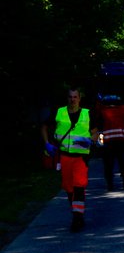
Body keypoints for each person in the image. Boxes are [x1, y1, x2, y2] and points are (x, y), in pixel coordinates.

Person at [41, 88, 98, 232]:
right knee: (69, 188)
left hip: (81, 157)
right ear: (67, 98)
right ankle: (76, 212)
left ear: (79, 99)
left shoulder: (87, 113)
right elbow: (44, 127)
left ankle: (77, 217)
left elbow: (95, 133)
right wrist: (47, 143)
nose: (73, 99)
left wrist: (90, 140)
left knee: (79, 186)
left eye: (75, 97)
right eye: (70, 97)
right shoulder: (59, 112)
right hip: (64, 156)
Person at [98, 103, 124, 191]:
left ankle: (110, 185)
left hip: (108, 142)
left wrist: (100, 142)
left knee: (108, 165)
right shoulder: (123, 111)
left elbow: (100, 127)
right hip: (122, 140)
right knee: (123, 163)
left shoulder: (103, 112)